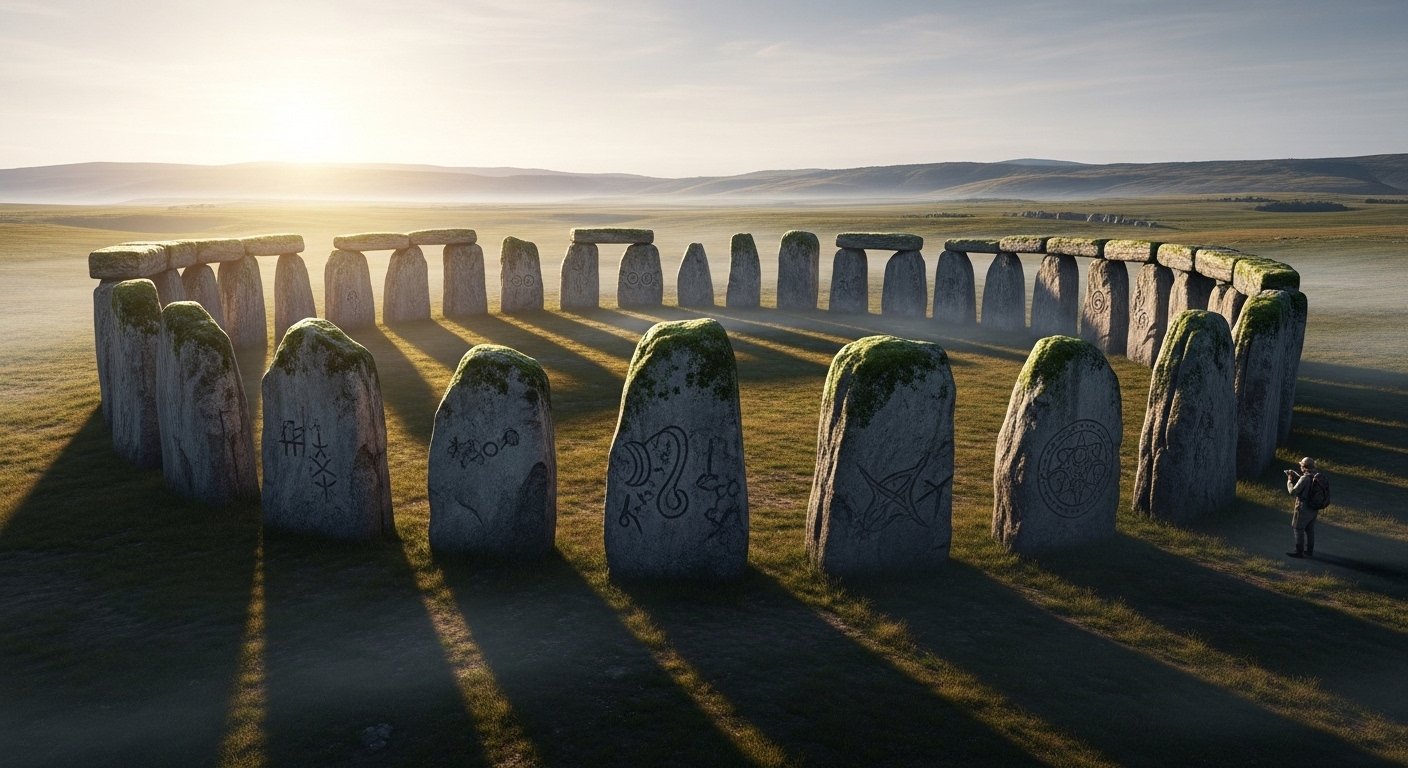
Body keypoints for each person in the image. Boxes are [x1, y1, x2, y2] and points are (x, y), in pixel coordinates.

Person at [1284, 456, 1320, 558]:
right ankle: (1309, 551)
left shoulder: (1304, 478)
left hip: (1303, 507)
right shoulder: (1316, 476)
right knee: (1310, 529)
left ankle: (1299, 551)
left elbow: (1293, 492)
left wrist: (1289, 481)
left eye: (1301, 465)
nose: (1300, 467)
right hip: (1314, 507)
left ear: (1304, 467)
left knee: (1298, 528)